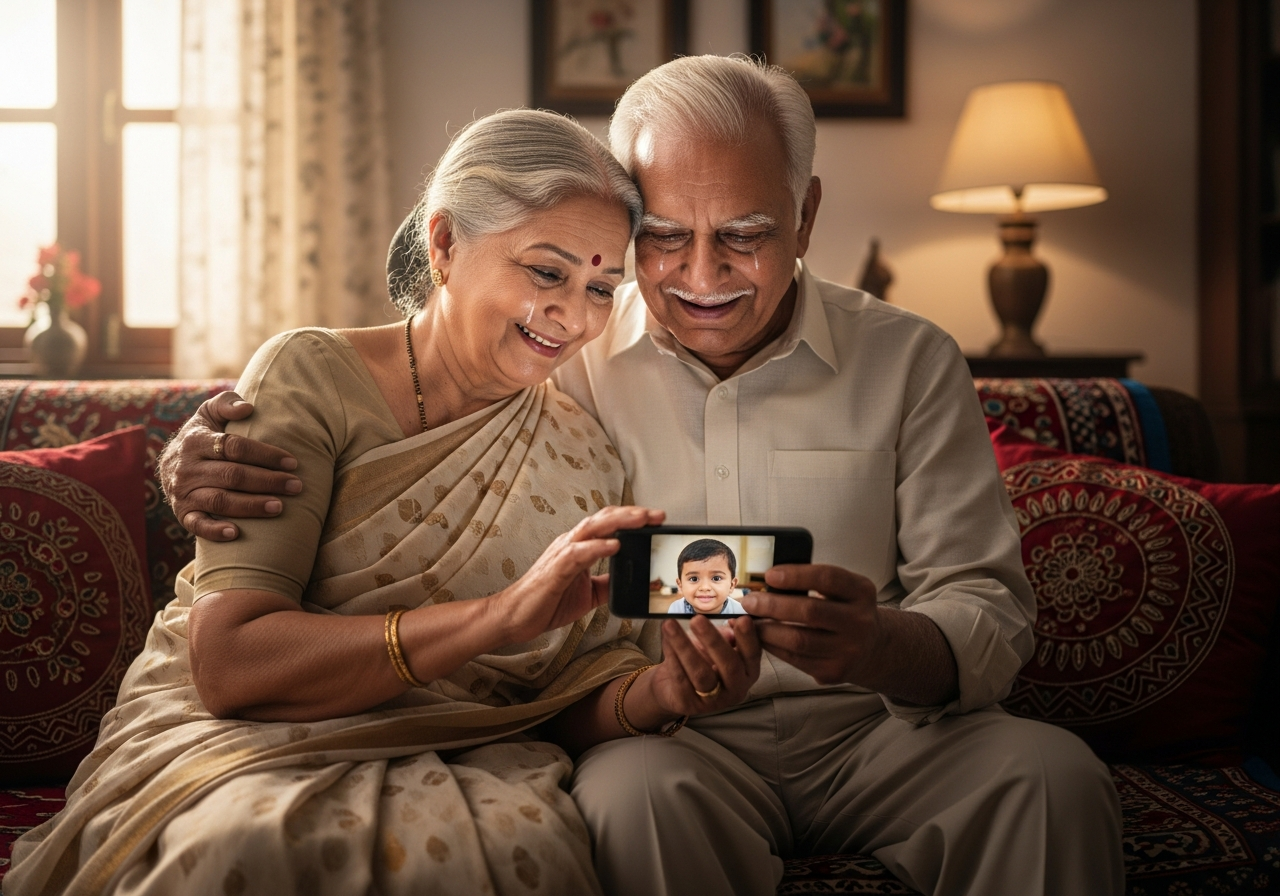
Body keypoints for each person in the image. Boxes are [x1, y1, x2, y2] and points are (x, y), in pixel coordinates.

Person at [155, 57, 1124, 896]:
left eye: (743, 231)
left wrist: (875, 642)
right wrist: (191, 449)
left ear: (807, 213)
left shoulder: (908, 357)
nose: (702, 274)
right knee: (631, 798)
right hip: (673, 741)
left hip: (883, 728)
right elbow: (396, 403)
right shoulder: (560, 352)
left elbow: (987, 610)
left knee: (1052, 775)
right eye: (661, 236)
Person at [4, 109, 767, 896]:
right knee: (245, 844)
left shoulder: (585, 447)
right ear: (443, 246)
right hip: (246, 740)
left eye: (602, 288)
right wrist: (497, 617)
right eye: (546, 272)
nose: (573, 316)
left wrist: (664, 694)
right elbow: (231, 665)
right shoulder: (314, 377)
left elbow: (552, 706)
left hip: (469, 758)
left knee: (520, 849)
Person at [667, 538, 746, 615]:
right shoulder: (675, 609)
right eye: (694, 579)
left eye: (716, 578)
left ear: (732, 585)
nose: (705, 587)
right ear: (680, 585)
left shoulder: (740, 611)